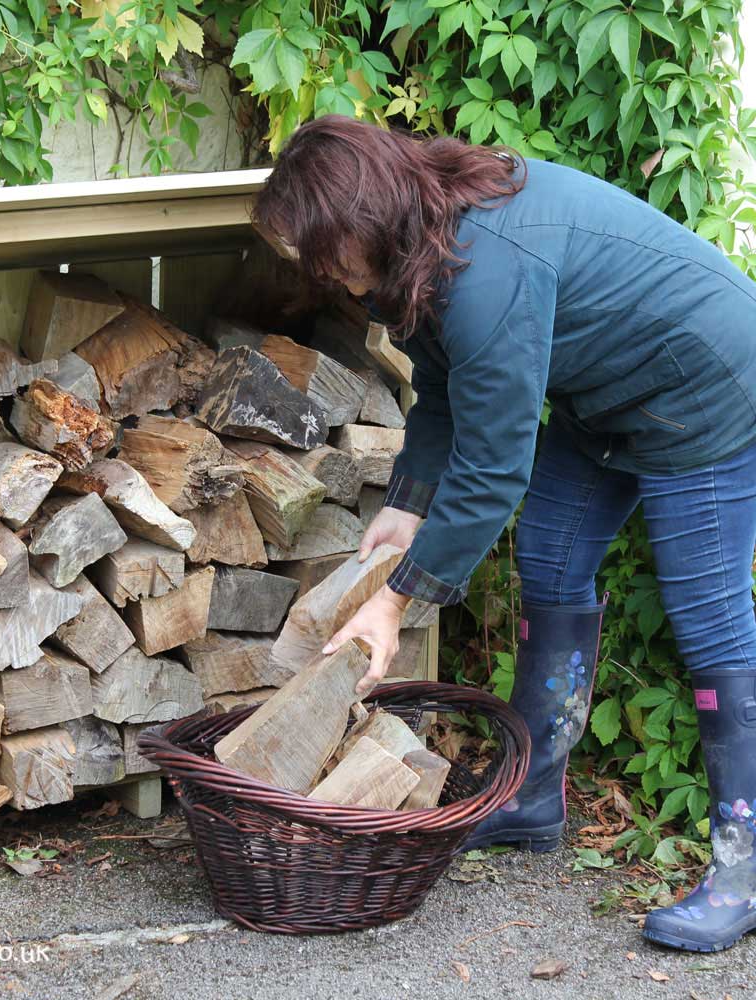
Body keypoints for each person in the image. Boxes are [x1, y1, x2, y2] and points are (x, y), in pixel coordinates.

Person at [251, 114, 756, 954]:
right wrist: (406, 503)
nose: (325, 274)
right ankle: (532, 799)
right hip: (613, 395)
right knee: (551, 558)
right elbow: (446, 393)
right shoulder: (424, 246)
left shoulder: (487, 267)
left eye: (324, 251)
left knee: (707, 617)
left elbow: (492, 472)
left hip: (710, 386)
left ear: (362, 217)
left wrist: (399, 600)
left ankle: (744, 864)